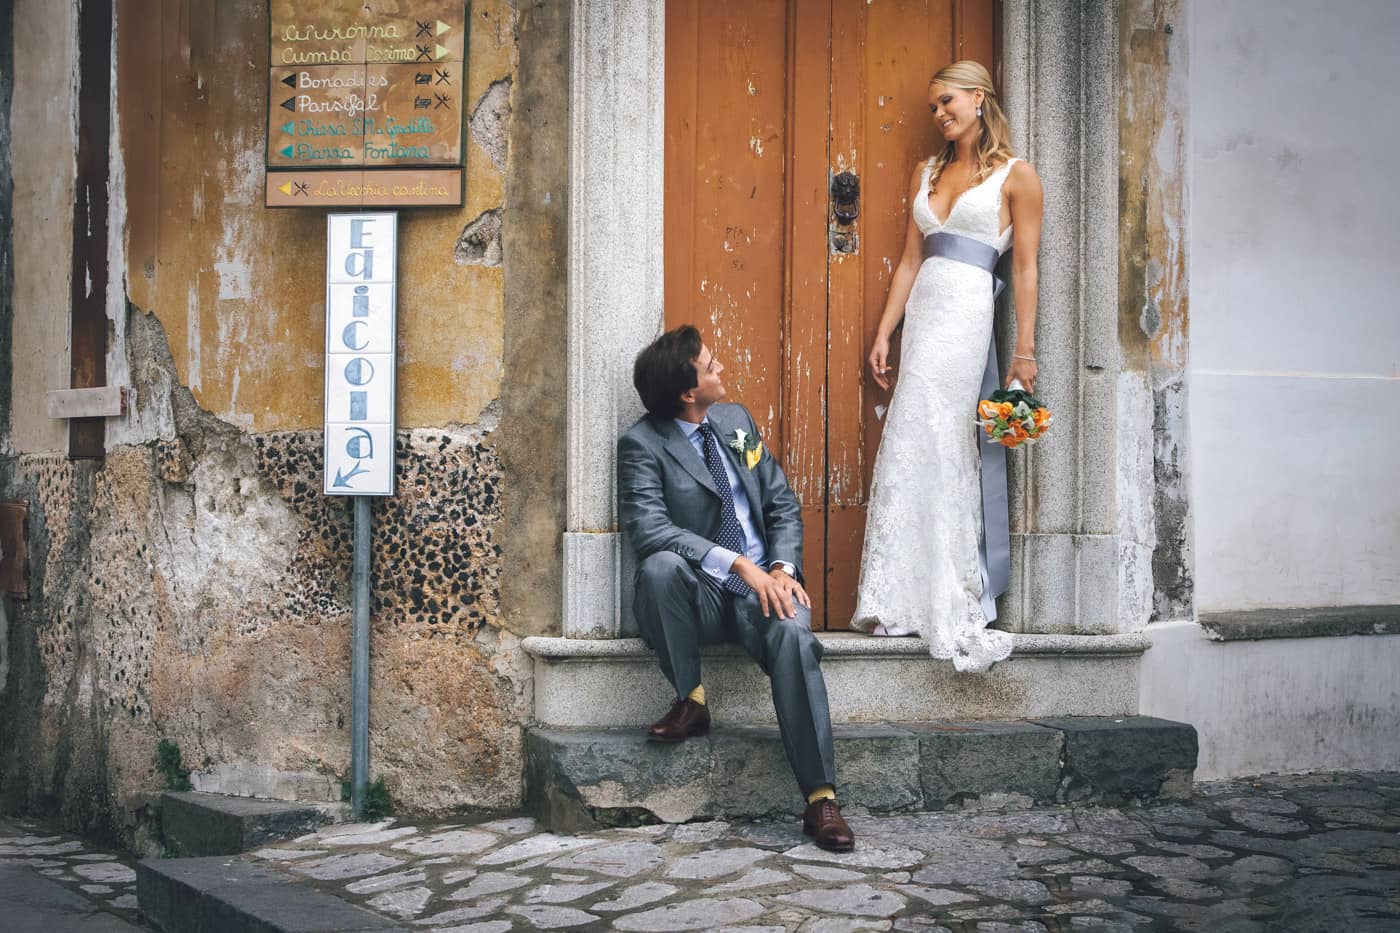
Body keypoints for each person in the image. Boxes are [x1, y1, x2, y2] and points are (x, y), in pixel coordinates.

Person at [618, 325, 854, 852]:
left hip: (762, 590)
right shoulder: (642, 444)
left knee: (793, 636)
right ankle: (692, 700)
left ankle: (821, 800)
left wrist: (781, 570)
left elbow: (780, 503)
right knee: (658, 567)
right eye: (710, 364)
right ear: (686, 391)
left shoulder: (735, 421)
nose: (720, 366)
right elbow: (649, 529)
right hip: (698, 591)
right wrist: (736, 563)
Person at [851, 61, 1044, 672]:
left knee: (950, 439)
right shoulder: (927, 170)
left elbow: (1025, 270)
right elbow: (910, 261)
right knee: (911, 436)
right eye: (934, 106)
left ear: (980, 100)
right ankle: (898, 598)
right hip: (926, 317)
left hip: (966, 316)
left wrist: (1024, 355)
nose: (940, 114)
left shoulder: (1019, 177)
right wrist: (886, 331)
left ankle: (953, 597)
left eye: (948, 102)